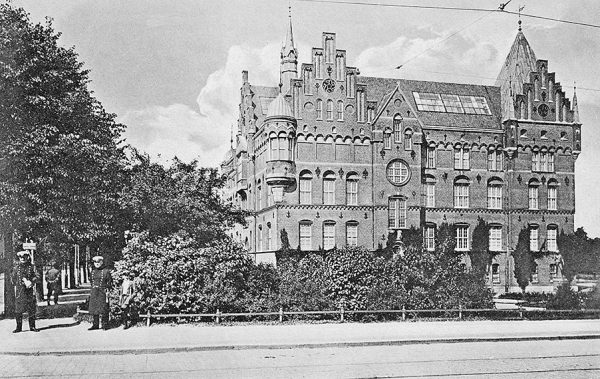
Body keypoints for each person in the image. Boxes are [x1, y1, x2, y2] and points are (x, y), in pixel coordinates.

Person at [11, 251, 40, 333]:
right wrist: (16, 281)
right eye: (21, 257)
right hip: (20, 292)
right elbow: (12, 279)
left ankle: (32, 327)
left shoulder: (32, 267)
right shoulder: (16, 268)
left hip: (29, 291)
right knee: (18, 310)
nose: (22, 259)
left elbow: (37, 276)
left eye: (24, 257)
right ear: (19, 258)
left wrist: (31, 281)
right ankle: (18, 327)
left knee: (31, 309)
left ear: (28, 257)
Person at [88, 255, 112, 330]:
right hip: (94, 291)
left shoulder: (106, 271)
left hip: (102, 292)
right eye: (95, 262)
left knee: (103, 308)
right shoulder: (93, 272)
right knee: (95, 308)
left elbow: (109, 282)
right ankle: (95, 324)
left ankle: (105, 325)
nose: (97, 263)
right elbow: (91, 281)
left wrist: (107, 290)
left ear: (102, 262)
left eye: (98, 262)